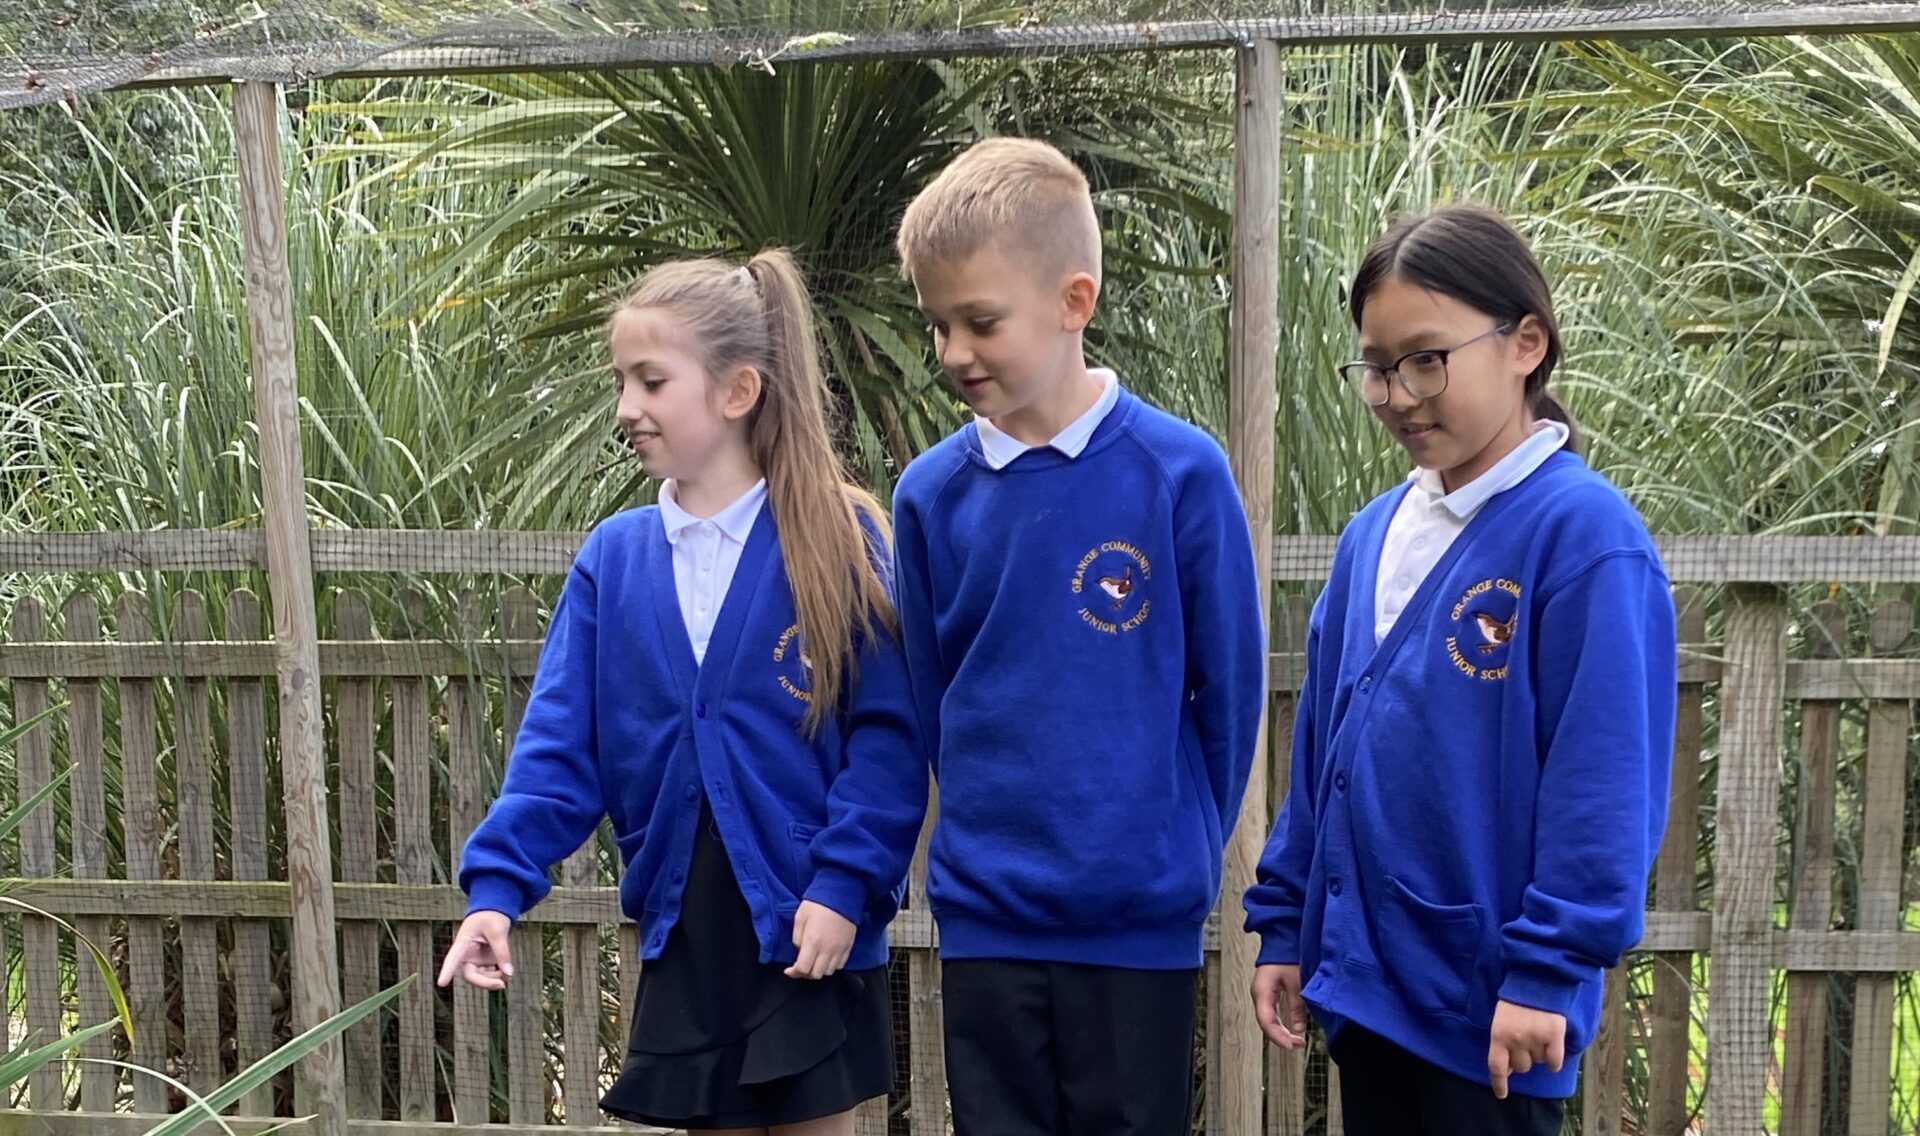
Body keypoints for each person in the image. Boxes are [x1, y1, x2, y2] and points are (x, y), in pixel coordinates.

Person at [438, 249, 927, 1136]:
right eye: (621, 382)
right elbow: (559, 750)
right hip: (688, 933)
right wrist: (495, 893)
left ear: (738, 391)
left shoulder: (840, 539)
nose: (627, 407)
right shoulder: (613, 562)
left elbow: (889, 742)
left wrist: (845, 888)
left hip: (812, 926)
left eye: (652, 381)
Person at [1243, 203, 1676, 1135]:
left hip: (1492, 1020)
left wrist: (1548, 972)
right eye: (1376, 366)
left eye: (1427, 360)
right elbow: (1320, 755)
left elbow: (1603, 782)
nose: (1398, 394)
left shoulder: (1584, 538)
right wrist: (1285, 918)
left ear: (1526, 343)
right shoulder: (1370, 536)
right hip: (1368, 996)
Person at [890, 136, 1266, 1135]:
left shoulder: (1180, 473)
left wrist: (1174, 848)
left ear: (1074, 301)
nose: (955, 352)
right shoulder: (928, 496)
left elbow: (1228, 693)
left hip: (1138, 923)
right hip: (987, 920)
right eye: (937, 325)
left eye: (981, 322)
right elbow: (928, 697)